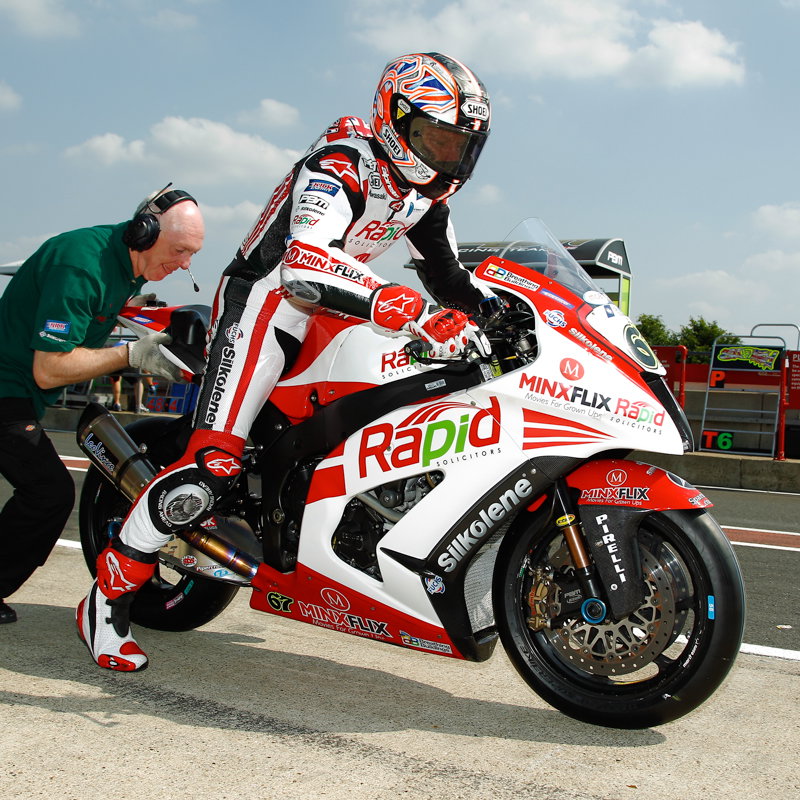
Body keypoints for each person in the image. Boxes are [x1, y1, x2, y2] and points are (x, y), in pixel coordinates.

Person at [77, 52, 495, 671]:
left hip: (337, 309)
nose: (447, 157)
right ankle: (106, 601)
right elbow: (304, 261)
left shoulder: (425, 195)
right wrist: (398, 304)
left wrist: (503, 313)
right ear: (395, 119)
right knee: (212, 465)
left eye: (459, 144)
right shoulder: (339, 164)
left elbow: (450, 276)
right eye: (435, 138)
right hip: (267, 303)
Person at [0, 186, 205, 625]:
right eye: (179, 250)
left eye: (193, 254)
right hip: (7, 389)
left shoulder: (126, 270)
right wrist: (133, 355)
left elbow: (101, 313)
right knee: (48, 493)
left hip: (21, 395)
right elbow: (49, 369)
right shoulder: (81, 264)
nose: (185, 263)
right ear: (144, 233)